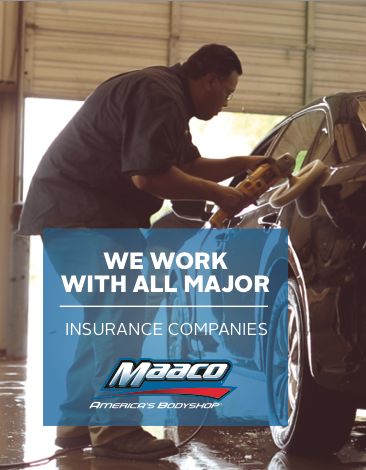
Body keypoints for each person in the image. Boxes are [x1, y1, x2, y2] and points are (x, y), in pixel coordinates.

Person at [18, 44, 264, 461]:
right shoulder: (159, 94)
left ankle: (77, 421)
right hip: (82, 213)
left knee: (104, 316)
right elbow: (148, 177)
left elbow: (186, 166)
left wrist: (244, 163)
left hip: (86, 214)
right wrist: (221, 194)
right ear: (210, 80)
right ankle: (116, 429)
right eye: (228, 92)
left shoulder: (164, 95)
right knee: (122, 311)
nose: (226, 102)